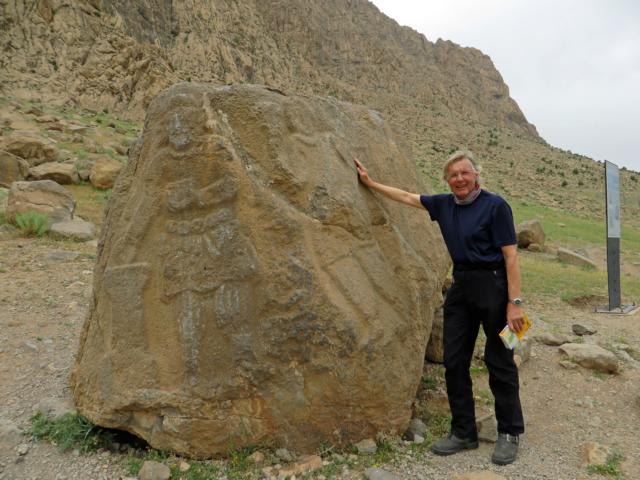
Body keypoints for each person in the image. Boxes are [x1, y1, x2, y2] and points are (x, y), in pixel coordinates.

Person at [354, 151, 525, 465]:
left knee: (500, 360)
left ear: (476, 174)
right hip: (461, 288)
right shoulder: (445, 204)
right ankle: (463, 432)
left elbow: (511, 256)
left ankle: (510, 432)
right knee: (455, 360)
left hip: (495, 287)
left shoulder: (496, 206)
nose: (459, 179)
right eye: (453, 175)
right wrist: (370, 183)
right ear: (447, 180)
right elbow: (407, 197)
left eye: (465, 173)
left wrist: (515, 305)